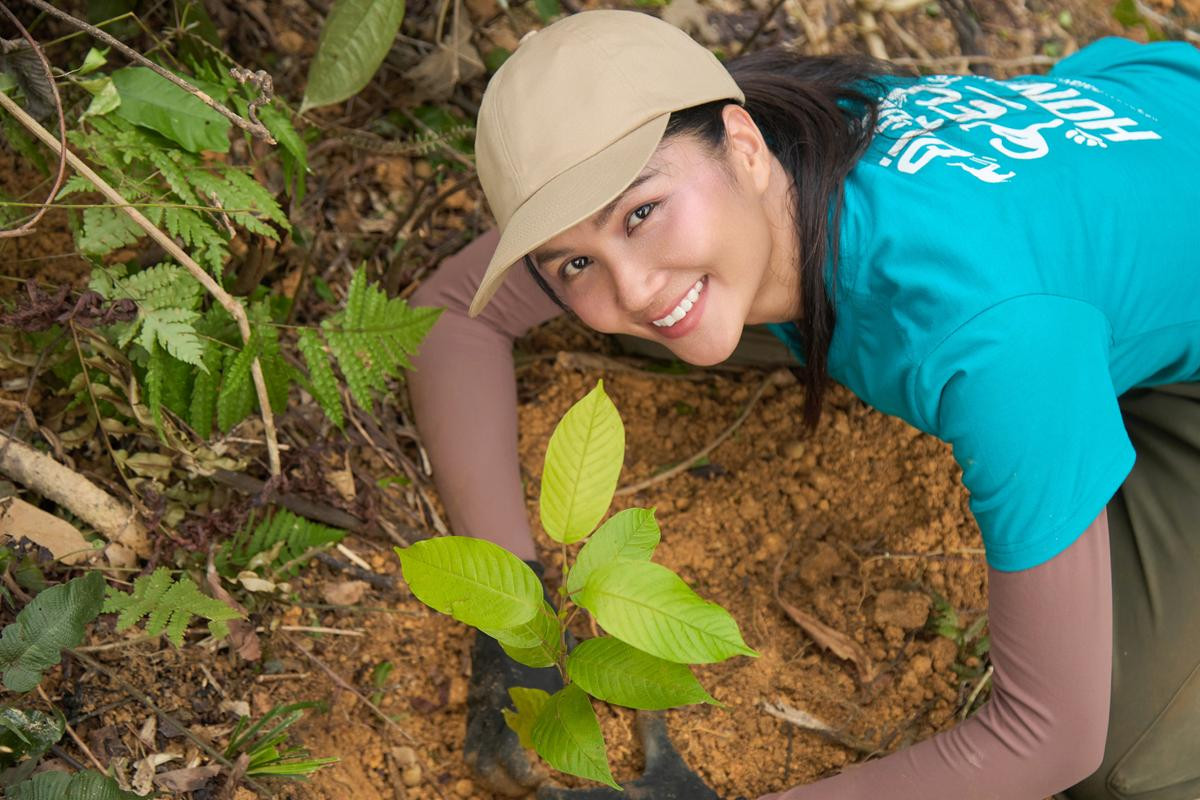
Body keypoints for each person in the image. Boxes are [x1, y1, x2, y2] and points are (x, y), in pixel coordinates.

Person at [407, 9, 1200, 800]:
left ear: (743, 145)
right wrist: (512, 619)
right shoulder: (779, 130)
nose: (633, 286)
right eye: (577, 260)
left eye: (642, 214)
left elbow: (1047, 738)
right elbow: (448, 312)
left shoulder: (988, 337)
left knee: (1129, 764)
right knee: (676, 312)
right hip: (1142, 126)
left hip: (1123, 313)